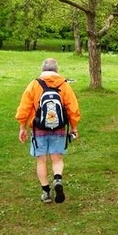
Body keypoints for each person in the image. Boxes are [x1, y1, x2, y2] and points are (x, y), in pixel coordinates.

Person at [16, 58, 81, 204]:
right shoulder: (64, 85)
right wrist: (74, 127)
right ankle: (57, 178)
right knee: (57, 158)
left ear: (42, 69)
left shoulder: (34, 84)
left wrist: (22, 126)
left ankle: (46, 193)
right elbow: (73, 108)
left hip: (38, 128)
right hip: (58, 128)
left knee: (41, 160)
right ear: (57, 69)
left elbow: (24, 108)